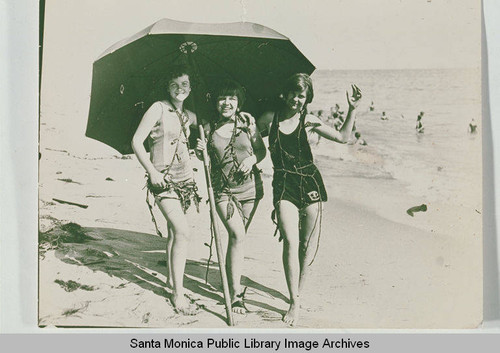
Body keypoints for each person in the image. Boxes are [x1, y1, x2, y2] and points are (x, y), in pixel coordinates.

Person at [258, 73, 361, 326]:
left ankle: (298, 294)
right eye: (293, 93)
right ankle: (294, 301)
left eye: (301, 95)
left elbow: (343, 138)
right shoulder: (270, 119)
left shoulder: (309, 121)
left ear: (307, 98)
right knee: (291, 242)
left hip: (310, 184)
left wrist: (352, 109)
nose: (296, 99)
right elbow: (250, 140)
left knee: (305, 245)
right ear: (286, 93)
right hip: (283, 185)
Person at [131, 66, 200, 315]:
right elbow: (137, 141)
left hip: (186, 180)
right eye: (174, 85)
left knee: (174, 232)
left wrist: (199, 147)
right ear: (167, 87)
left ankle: (172, 280)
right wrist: (152, 171)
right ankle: (178, 294)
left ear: (190, 89)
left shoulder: (189, 115)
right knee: (182, 232)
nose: (179, 89)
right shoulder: (157, 108)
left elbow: (191, 141)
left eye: (184, 85)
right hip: (163, 180)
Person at [196, 79, 266, 314]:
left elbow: (261, 151)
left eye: (232, 98)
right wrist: (200, 153)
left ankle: (231, 285)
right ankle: (235, 296)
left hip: (251, 190)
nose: (227, 103)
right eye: (222, 98)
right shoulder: (207, 127)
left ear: (239, 102)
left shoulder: (247, 123)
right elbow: (206, 162)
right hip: (222, 191)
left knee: (238, 239)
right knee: (237, 234)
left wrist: (252, 159)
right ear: (216, 102)